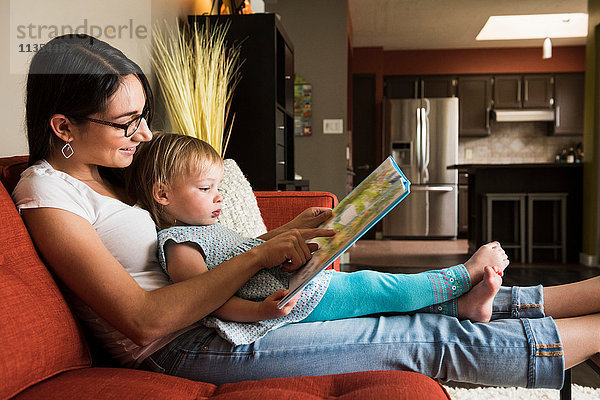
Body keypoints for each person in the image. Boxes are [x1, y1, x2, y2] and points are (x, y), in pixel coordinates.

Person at [12, 33, 600, 389]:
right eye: (126, 122)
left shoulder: (118, 170)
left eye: (143, 115)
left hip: (220, 320)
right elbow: (141, 320)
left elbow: (188, 223)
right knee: (417, 338)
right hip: (188, 349)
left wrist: (283, 235)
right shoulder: (47, 194)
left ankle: (590, 296)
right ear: (62, 126)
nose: (143, 134)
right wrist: (262, 254)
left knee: (417, 296)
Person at [128, 132, 508, 346]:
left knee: (376, 300)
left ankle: (462, 309)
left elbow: (249, 249)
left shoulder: (206, 230)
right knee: (378, 287)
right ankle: (460, 276)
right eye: (206, 187)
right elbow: (203, 300)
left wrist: (294, 225)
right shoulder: (178, 242)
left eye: (218, 187)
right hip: (295, 298)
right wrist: (258, 313)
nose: (218, 197)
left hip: (301, 282)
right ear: (163, 195)